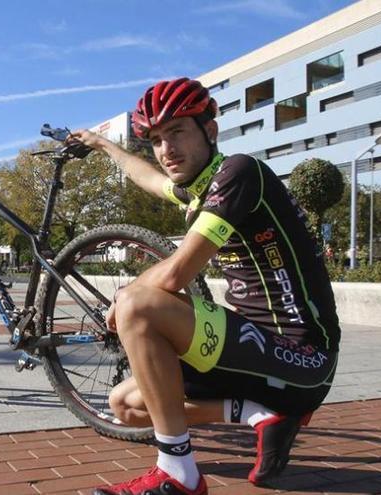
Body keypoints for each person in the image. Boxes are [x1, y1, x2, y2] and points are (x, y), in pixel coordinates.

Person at [70, 78, 341, 495]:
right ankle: (256, 413)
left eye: (177, 131)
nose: (166, 150)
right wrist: (101, 144)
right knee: (125, 405)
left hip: (302, 356)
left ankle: (179, 473)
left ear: (209, 132)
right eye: (157, 140)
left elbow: (178, 273)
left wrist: (125, 297)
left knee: (139, 304)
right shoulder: (200, 190)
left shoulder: (239, 173)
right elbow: (144, 176)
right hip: (254, 354)